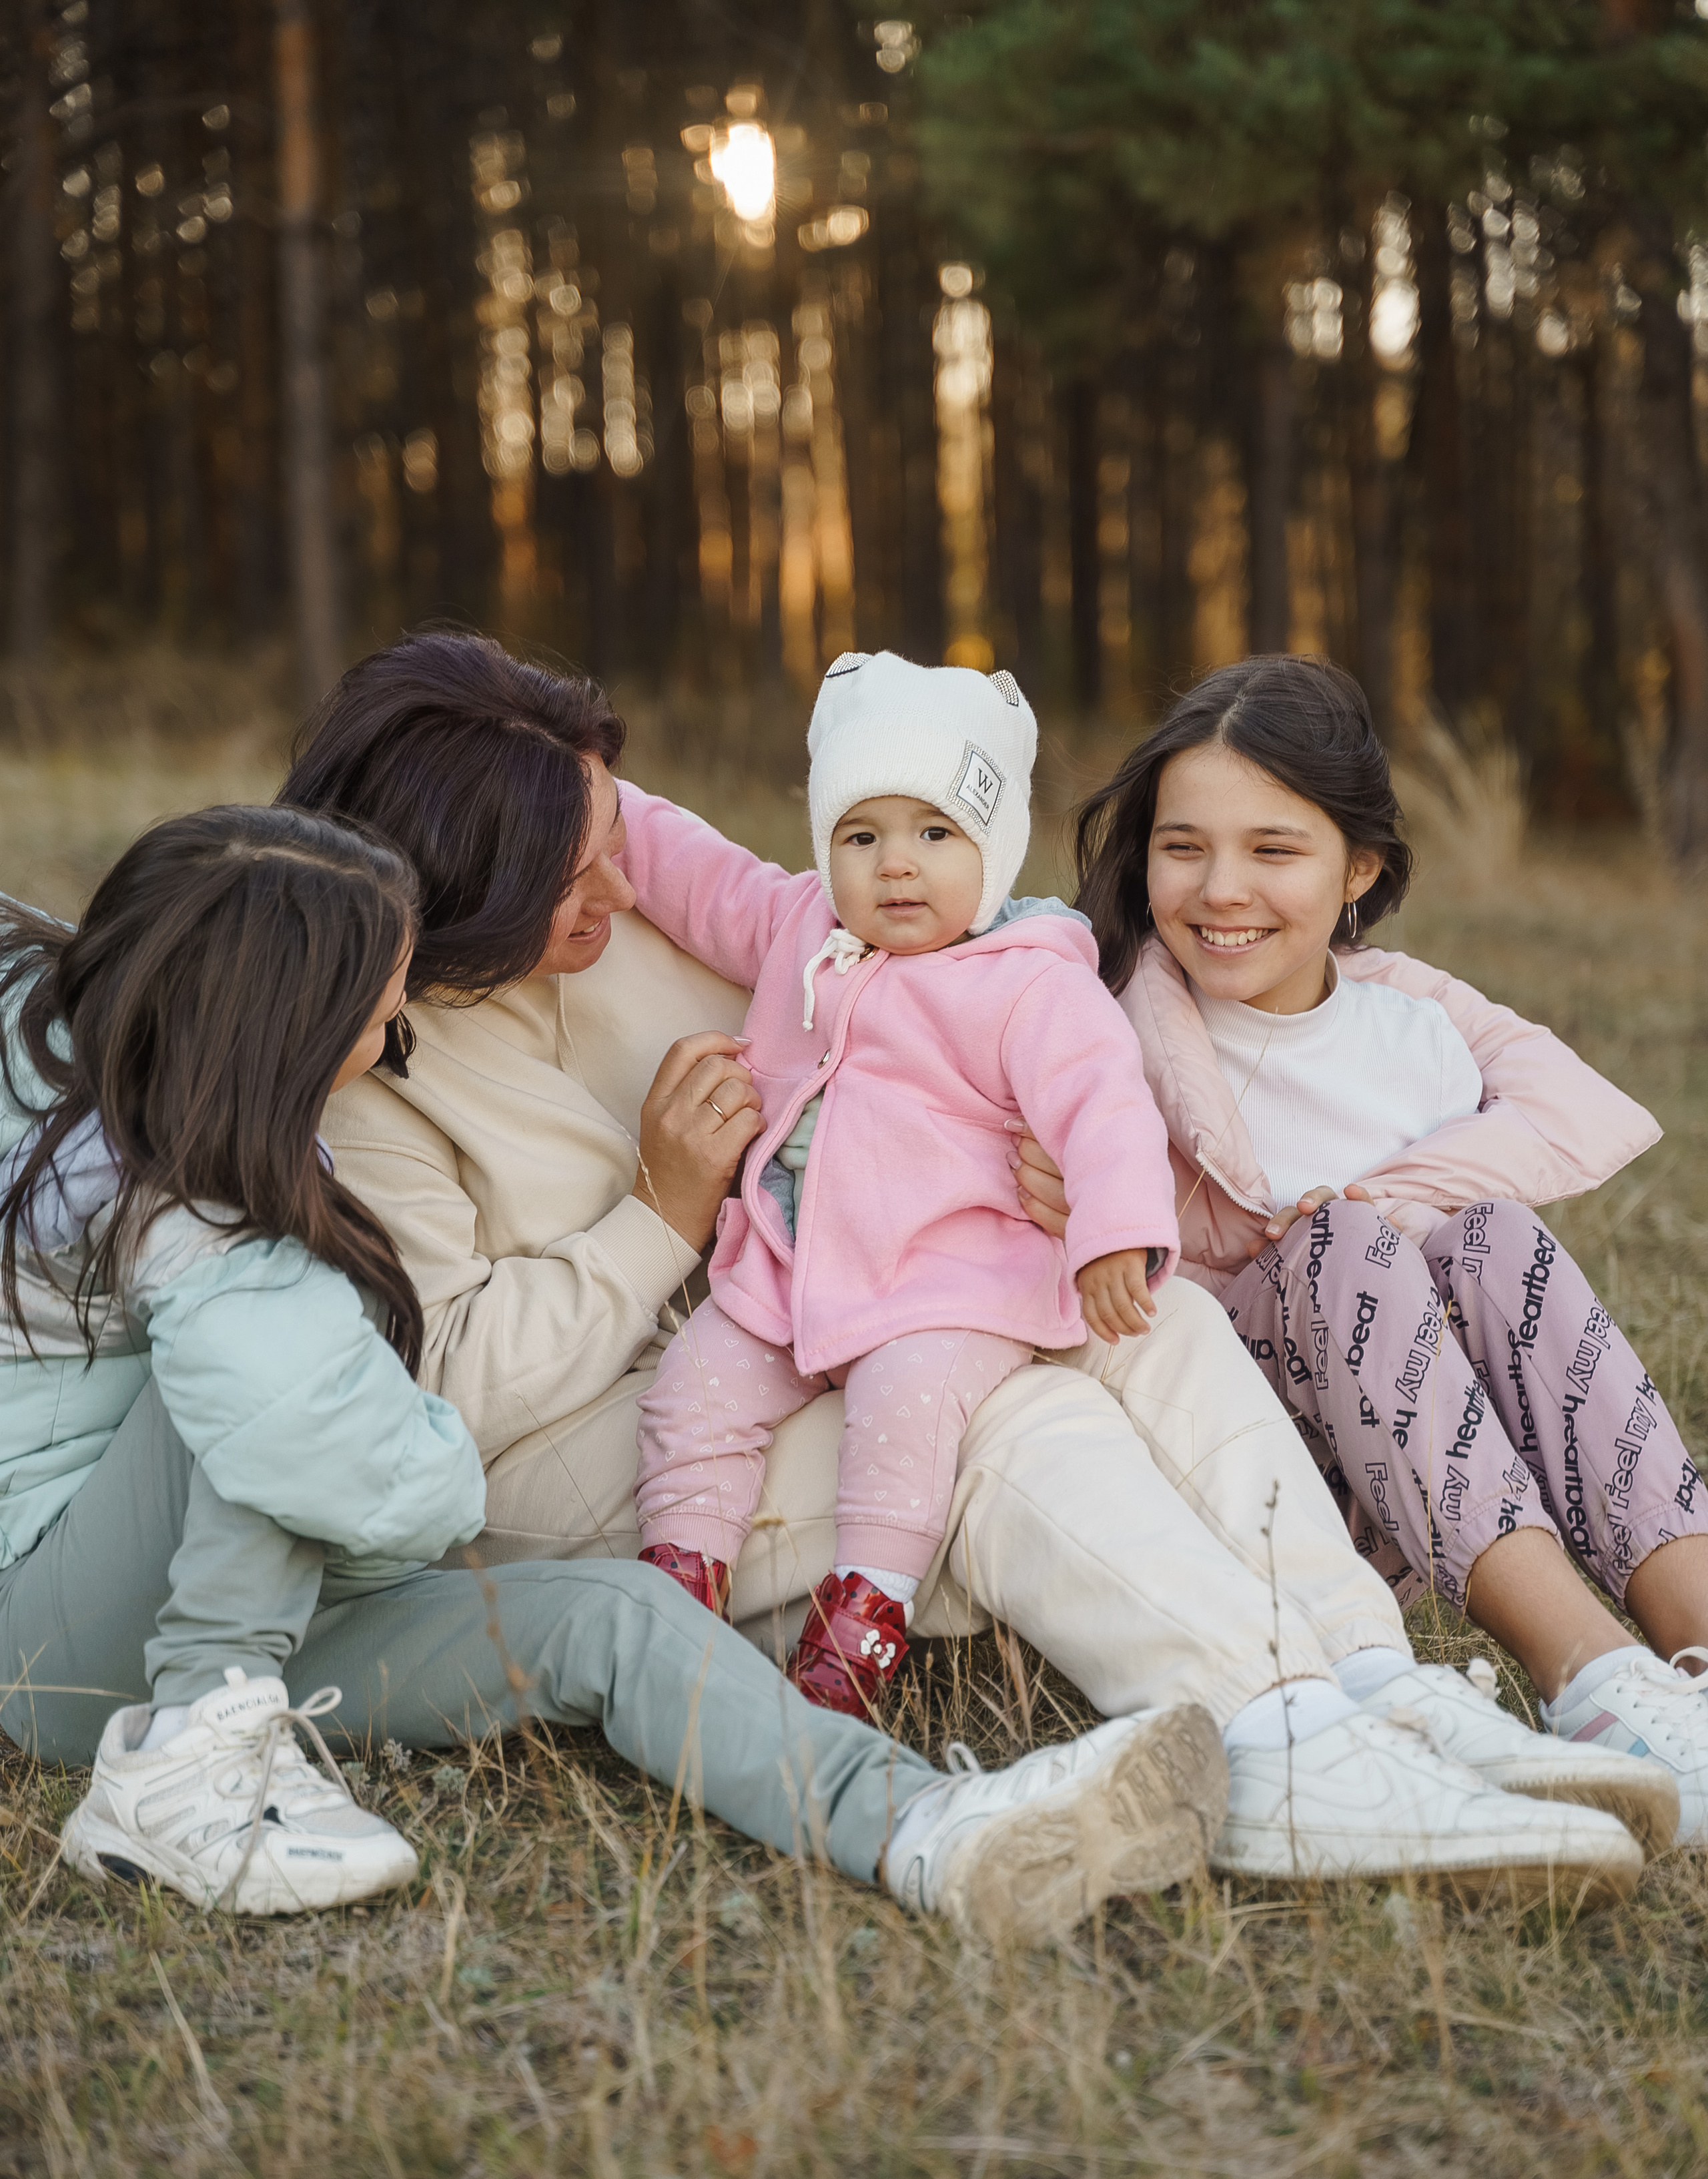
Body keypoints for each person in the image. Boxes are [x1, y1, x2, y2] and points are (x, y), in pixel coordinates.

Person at [304, 631, 1661, 1897]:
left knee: (1148, 1326)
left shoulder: (620, 904)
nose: (621, 880)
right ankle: (1277, 1742)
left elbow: (878, 993)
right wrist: (658, 1214)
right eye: (576, 869)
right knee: (1018, 1414)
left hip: (840, 1304)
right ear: (465, 885)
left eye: (614, 839)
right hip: (608, 1433)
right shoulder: (365, 1072)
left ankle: (1372, 1680)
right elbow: (446, 1398)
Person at [0, 804, 1236, 1944]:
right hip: (56, 1634)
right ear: (278, 1024)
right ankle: (183, 1769)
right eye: (374, 1019)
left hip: (279, 1601)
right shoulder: (180, 1192)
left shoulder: (144, 1044)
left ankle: (924, 1831)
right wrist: (435, 1467)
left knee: (617, 1611)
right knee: (272, 1372)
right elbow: (350, 1463)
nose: (390, 1044)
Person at [1021, 651, 1708, 1838]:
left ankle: (1695, 1646)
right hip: (1251, 1471)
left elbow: (1576, 1111)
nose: (1220, 888)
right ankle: (1588, 1678)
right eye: (1183, 846)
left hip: (1417, 1465)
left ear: (1360, 870)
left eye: (1273, 850)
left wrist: (1372, 1203)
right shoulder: (1098, 1023)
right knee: (1340, 1247)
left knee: (1492, 1237)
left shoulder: (1414, 1031)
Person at [629, 651, 1179, 1720]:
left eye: (935, 834)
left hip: (948, 1281)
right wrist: (598, 800)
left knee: (907, 1413)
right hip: (792, 1270)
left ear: (993, 845)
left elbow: (1103, 1104)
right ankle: (677, 1589)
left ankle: (868, 1606)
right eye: (861, 835)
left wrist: (1114, 1231)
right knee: (691, 1391)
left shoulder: (1028, 979)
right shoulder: (803, 932)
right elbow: (697, 875)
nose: (896, 867)